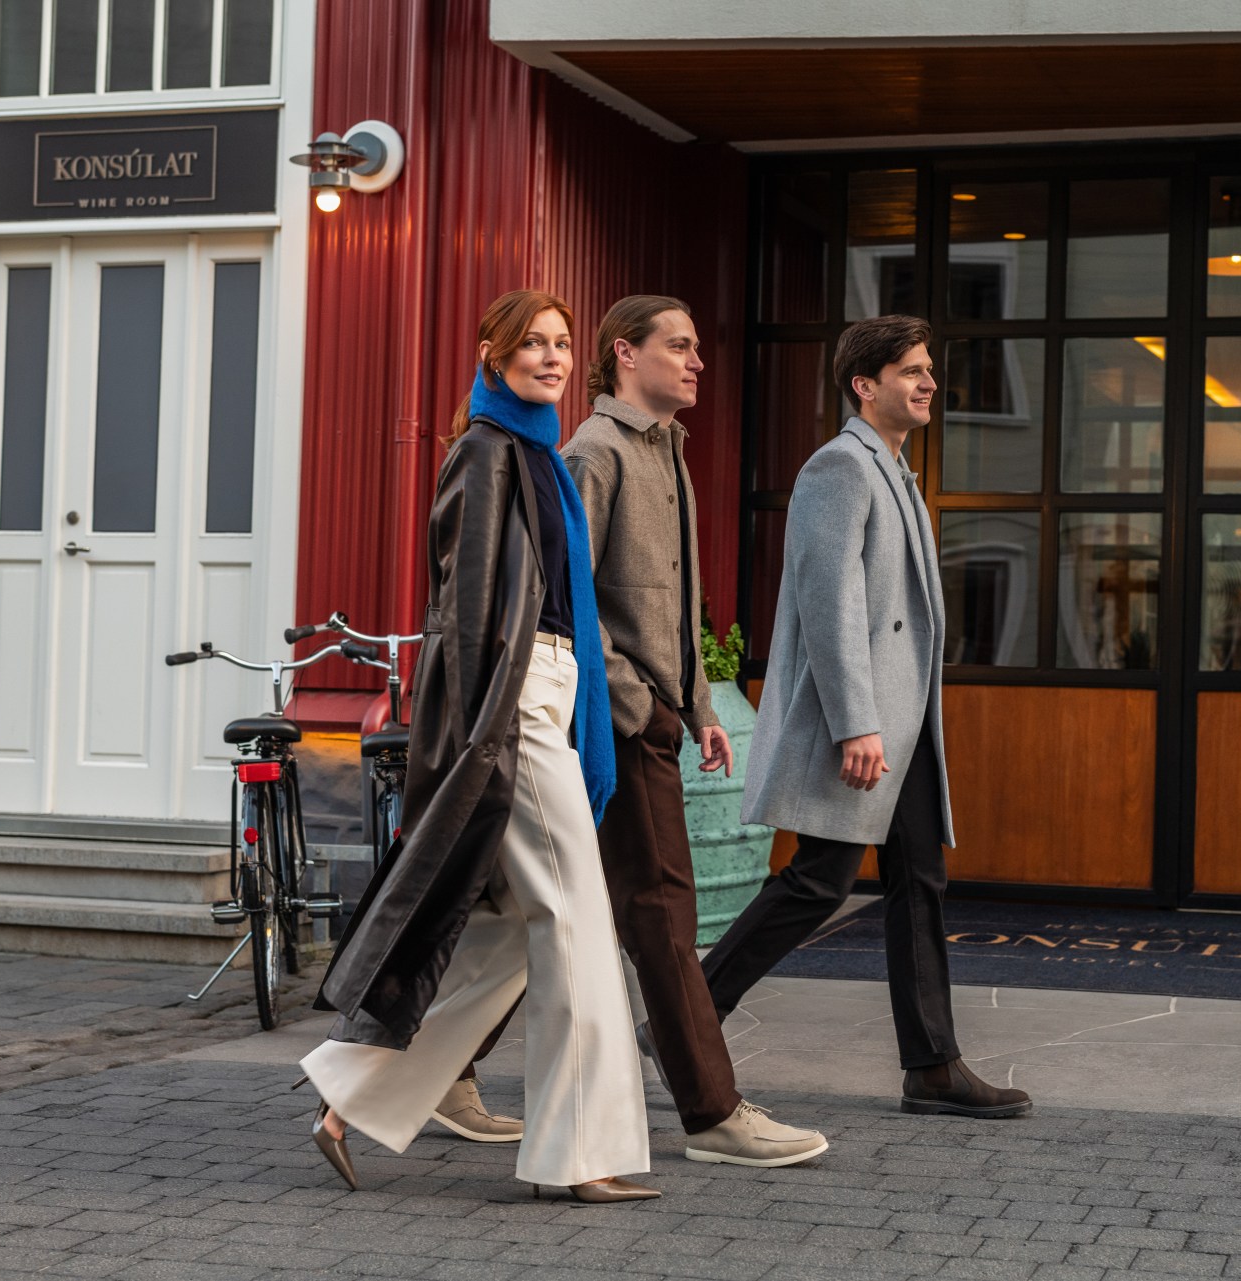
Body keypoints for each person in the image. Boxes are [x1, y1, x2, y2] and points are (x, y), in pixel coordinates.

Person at [297, 290, 657, 1203]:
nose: (552, 356)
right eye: (532, 343)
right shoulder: (487, 454)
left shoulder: (539, 455)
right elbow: (461, 617)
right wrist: (479, 734)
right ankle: (578, 1157)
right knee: (577, 926)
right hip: (517, 706)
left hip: (549, 693)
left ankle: (348, 1092)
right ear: (492, 355)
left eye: (563, 343)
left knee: (507, 939)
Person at [700, 314, 1031, 1120]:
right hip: (869, 722)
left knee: (920, 879)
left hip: (907, 721)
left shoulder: (896, 471)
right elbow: (829, 603)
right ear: (864, 383)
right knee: (819, 883)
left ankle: (933, 1064)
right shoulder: (839, 468)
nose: (928, 383)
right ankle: (686, 1018)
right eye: (911, 370)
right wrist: (856, 721)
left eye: (928, 369)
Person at [563, 295, 829, 1168]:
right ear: (622, 355)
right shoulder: (594, 453)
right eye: (678, 346)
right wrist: (637, 696)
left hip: (661, 717)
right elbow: (567, 597)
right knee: (664, 914)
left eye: (697, 346)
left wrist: (706, 709)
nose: (697, 361)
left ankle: (427, 1069)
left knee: (539, 918)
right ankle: (715, 1114)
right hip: (619, 726)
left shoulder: (668, 453)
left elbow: (677, 602)